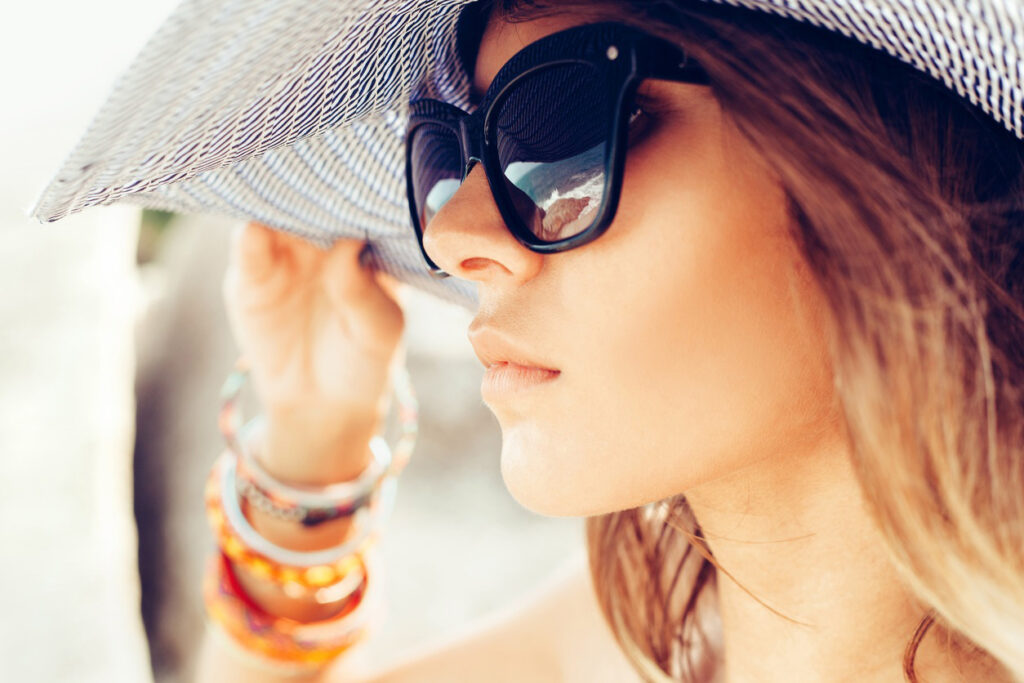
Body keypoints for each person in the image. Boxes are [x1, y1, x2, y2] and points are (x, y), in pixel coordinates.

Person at [195, 0, 1024, 681]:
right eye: (446, 155)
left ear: (873, 166)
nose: (451, 234)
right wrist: (312, 444)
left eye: (560, 133)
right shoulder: (638, 641)